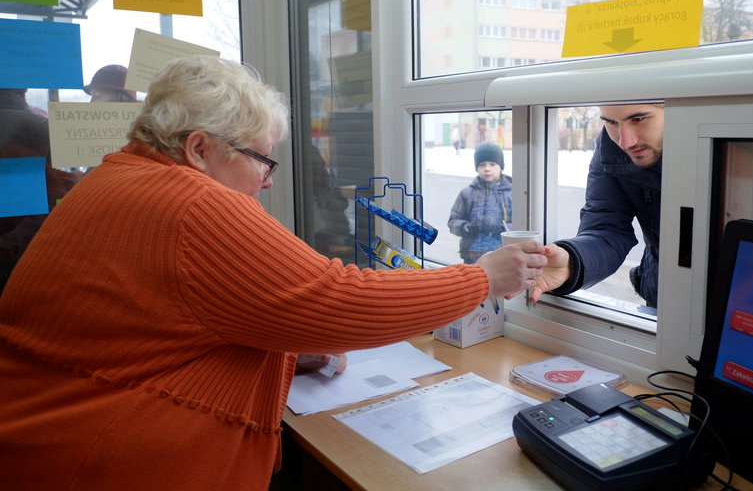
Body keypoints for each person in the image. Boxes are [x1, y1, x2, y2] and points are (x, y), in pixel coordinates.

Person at [0, 55, 546, 491]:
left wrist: (285, 349)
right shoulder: (190, 203)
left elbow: (158, 323)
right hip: (95, 461)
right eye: (261, 158)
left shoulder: (118, 178)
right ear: (198, 149)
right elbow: (338, 298)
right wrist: (481, 278)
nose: (266, 181)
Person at [535, 103, 664, 309]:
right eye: (611, 122)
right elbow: (606, 227)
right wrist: (572, 261)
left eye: (638, 119)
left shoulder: (726, 140)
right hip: (662, 296)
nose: (625, 141)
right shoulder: (611, 147)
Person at [0, 89, 78, 291]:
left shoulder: (20, 148)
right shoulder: (37, 130)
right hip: (20, 258)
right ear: (24, 92)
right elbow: (52, 199)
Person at [448, 142, 512, 264]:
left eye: (492, 164)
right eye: (482, 165)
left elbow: (522, 224)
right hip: (472, 257)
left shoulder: (513, 194)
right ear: (477, 167)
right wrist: (464, 227)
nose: (487, 168)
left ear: (501, 167)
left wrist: (505, 229)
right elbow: (453, 221)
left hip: (503, 256)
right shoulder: (467, 194)